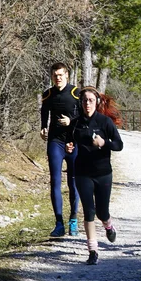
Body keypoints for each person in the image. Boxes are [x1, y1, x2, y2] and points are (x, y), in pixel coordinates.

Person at [66, 86, 124, 265]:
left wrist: (104, 142)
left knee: (102, 211)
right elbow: (69, 142)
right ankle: (93, 251)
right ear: (81, 103)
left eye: (91, 100)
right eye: (84, 101)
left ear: (96, 102)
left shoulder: (105, 122)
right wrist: (69, 148)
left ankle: (108, 225)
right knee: (89, 211)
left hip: (103, 173)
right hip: (83, 172)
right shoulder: (75, 123)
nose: (87, 104)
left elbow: (119, 145)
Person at [40, 62, 81, 237]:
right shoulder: (48, 94)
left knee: (73, 183)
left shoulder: (76, 93)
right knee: (55, 181)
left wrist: (70, 121)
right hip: (55, 142)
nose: (58, 78)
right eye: (55, 75)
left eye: (61, 75)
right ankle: (58, 224)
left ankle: (73, 220)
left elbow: (84, 115)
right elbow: (44, 112)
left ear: (67, 76)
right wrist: (43, 127)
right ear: (52, 76)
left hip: (73, 142)